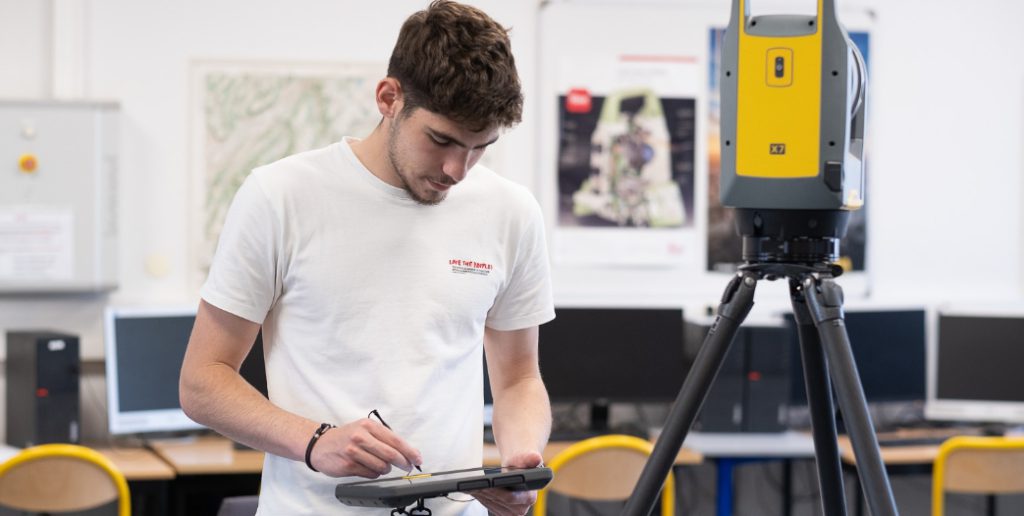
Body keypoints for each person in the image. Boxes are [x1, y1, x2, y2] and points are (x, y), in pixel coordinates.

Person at [179, 2, 554, 515]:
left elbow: (518, 380)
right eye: (440, 140)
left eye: (479, 147)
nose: (457, 169)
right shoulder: (281, 196)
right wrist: (316, 440)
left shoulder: (510, 212)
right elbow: (203, 381)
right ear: (388, 98)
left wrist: (520, 461)